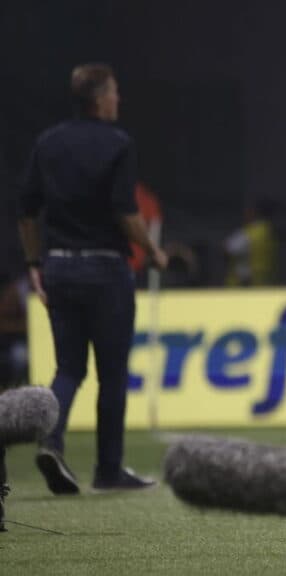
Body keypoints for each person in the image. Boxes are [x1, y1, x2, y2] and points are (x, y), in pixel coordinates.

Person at [16, 63, 168, 495]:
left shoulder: (48, 142)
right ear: (100, 98)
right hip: (105, 270)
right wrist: (153, 251)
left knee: (68, 368)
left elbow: (26, 211)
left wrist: (34, 262)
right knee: (112, 374)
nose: (119, 99)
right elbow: (125, 212)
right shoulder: (118, 143)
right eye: (115, 91)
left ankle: (51, 442)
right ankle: (108, 470)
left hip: (59, 267)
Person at [224, 198, 277, 287]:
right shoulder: (268, 232)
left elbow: (227, 250)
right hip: (264, 284)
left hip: (243, 285)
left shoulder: (247, 234)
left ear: (253, 212)